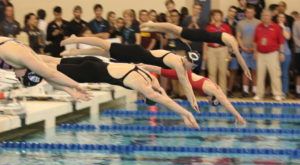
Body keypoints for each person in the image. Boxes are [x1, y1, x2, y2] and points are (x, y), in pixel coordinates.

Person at [38, 55, 199, 128]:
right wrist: (186, 114)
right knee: (49, 71)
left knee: (54, 60)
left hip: (96, 61)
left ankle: (27, 54)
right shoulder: (142, 87)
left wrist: (183, 111)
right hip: (93, 72)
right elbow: (164, 99)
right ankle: (22, 65)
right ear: (144, 96)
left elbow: (161, 93)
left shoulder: (151, 79)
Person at [60, 36, 200, 112]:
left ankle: (74, 52)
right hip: (135, 54)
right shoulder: (179, 64)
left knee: (103, 52)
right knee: (104, 45)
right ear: (189, 61)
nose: (191, 69)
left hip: (136, 57)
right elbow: (186, 84)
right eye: (192, 66)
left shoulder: (176, 59)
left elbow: (161, 87)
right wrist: (193, 101)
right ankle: (75, 39)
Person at [139, 22, 252, 80]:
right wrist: (246, 69)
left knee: (174, 31)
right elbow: (239, 57)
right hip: (200, 35)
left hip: (201, 37)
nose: (231, 50)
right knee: (174, 28)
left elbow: (235, 55)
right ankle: (151, 24)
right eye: (231, 51)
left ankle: (153, 27)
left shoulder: (231, 44)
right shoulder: (233, 43)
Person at [140, 65, 246, 124]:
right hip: (183, 75)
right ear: (213, 99)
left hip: (185, 76)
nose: (208, 102)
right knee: (157, 69)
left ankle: (138, 66)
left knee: (157, 69)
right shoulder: (213, 90)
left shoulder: (213, 90)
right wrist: (238, 116)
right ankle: (136, 66)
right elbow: (226, 103)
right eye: (211, 103)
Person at [0, 36, 89, 101]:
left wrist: (71, 91)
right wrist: (77, 86)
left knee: (53, 62)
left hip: (8, 46)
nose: (17, 77)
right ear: (27, 71)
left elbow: (46, 76)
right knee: (53, 63)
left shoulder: (25, 61)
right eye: (21, 78)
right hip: (7, 46)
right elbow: (50, 74)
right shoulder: (24, 59)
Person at [253, 10, 284, 101]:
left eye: (267, 15)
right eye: (263, 15)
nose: (265, 17)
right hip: (260, 54)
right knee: (260, 75)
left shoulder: (276, 27)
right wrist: (255, 52)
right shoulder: (258, 27)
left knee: (275, 75)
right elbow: (255, 41)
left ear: (271, 17)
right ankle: (259, 94)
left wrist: (281, 53)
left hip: (273, 54)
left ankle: (277, 94)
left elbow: (281, 42)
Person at [204, 9, 232, 94]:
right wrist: (205, 53)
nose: (217, 17)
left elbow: (230, 41)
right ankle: (213, 93)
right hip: (211, 50)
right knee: (212, 73)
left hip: (223, 50)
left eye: (218, 15)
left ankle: (222, 93)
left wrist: (229, 53)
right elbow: (205, 41)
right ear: (213, 17)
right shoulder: (209, 27)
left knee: (223, 72)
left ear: (221, 17)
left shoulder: (226, 27)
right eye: (215, 15)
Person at [236, 5, 260, 97]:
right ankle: (245, 91)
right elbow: (238, 36)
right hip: (244, 51)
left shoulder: (258, 23)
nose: (249, 13)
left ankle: (254, 90)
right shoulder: (240, 23)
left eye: (251, 12)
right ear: (245, 13)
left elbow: (259, 37)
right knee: (245, 72)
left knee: (254, 71)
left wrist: (255, 49)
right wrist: (243, 47)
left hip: (255, 51)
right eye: (248, 12)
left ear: (254, 13)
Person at [225, 6, 239, 97]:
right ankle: (223, 88)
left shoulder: (237, 24)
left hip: (234, 50)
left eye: (234, 12)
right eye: (231, 11)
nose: (232, 13)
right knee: (224, 70)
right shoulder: (223, 23)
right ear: (228, 12)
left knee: (233, 70)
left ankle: (229, 89)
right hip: (224, 50)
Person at [277, 13, 292, 98]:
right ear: (277, 18)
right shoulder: (274, 28)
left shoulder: (287, 28)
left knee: (285, 73)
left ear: (285, 19)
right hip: (275, 54)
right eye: (279, 17)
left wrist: (282, 27)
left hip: (286, 54)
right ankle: (277, 91)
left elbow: (288, 37)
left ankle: (284, 91)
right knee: (277, 74)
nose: (281, 18)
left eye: (282, 17)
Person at [293, 16, 300, 98]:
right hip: (299, 51)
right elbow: (295, 37)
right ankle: (298, 91)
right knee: (298, 73)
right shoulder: (296, 23)